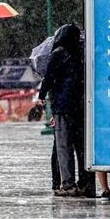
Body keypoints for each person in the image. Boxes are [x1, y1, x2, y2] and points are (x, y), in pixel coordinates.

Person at [38, 23, 86, 197]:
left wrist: (42, 95)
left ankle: (68, 184)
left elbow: (49, 77)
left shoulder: (58, 54)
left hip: (63, 107)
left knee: (63, 145)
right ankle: (85, 183)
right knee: (81, 147)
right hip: (81, 106)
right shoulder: (81, 54)